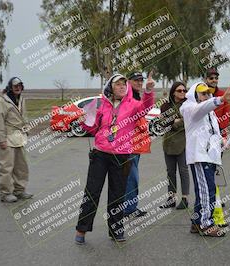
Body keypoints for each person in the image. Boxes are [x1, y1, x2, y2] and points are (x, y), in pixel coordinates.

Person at [75, 74, 154, 244]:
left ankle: (116, 229)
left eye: (124, 85)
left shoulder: (133, 105)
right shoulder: (101, 105)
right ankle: (81, 229)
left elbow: (146, 108)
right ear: (111, 87)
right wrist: (84, 122)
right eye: (118, 84)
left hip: (122, 155)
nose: (122, 87)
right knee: (92, 192)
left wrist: (148, 91)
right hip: (100, 154)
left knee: (117, 194)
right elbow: (93, 128)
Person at [180, 82, 230, 237]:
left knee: (205, 191)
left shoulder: (209, 111)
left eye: (208, 93)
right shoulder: (189, 107)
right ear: (194, 94)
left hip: (210, 156)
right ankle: (206, 224)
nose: (206, 95)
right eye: (202, 93)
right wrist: (220, 99)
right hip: (199, 157)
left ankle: (197, 223)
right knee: (207, 191)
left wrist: (222, 141)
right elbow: (201, 109)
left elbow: (213, 131)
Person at [0, 77, 33, 203]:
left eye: (20, 85)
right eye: (15, 85)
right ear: (10, 86)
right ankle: (5, 193)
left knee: (21, 166)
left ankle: (19, 190)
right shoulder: (1, 101)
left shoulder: (21, 99)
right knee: (6, 167)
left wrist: (26, 129)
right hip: (7, 138)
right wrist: (1, 139)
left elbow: (23, 116)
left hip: (19, 137)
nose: (18, 87)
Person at [123, 71, 155, 217]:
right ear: (128, 81)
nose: (139, 82)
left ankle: (128, 207)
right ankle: (128, 209)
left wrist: (148, 90)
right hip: (128, 145)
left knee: (130, 177)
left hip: (135, 145)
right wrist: (148, 91)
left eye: (141, 80)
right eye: (136, 80)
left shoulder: (135, 96)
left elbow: (144, 108)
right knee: (131, 178)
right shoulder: (127, 96)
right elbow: (144, 109)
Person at [159, 81, 190, 209]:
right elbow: (161, 121)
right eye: (179, 90)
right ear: (173, 92)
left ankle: (185, 199)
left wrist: (172, 123)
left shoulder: (188, 105)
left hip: (183, 143)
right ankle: (171, 198)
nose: (182, 92)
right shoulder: (166, 105)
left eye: (184, 90)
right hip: (168, 143)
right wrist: (174, 121)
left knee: (183, 171)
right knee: (170, 172)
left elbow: (186, 121)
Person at [205, 68, 230, 138]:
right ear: (206, 80)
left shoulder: (223, 94)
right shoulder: (201, 94)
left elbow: (226, 115)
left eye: (216, 78)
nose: (214, 80)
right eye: (211, 78)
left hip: (220, 132)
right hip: (204, 133)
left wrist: (220, 129)